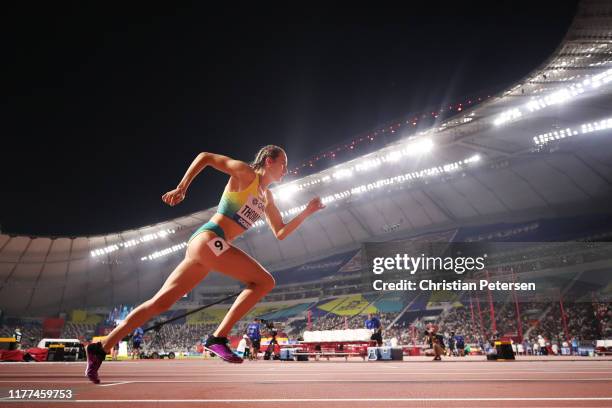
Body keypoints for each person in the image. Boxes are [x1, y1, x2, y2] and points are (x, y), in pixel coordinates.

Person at [85, 146, 325, 383]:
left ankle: (101, 347)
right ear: (268, 161)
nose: (286, 168)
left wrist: (307, 211)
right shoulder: (246, 174)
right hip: (210, 238)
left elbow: (280, 232)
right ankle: (218, 338)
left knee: (160, 303)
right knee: (264, 281)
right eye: (283, 162)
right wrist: (182, 188)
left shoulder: (267, 197)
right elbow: (206, 157)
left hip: (207, 248)